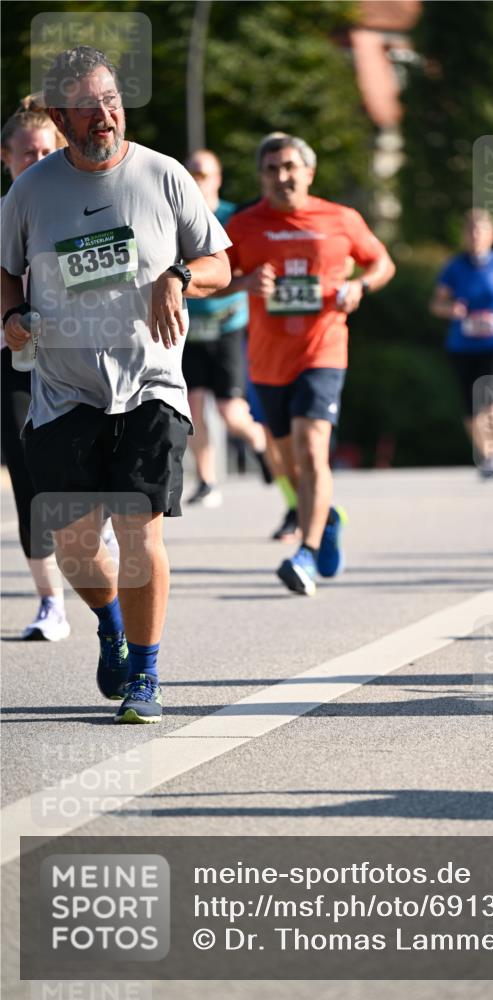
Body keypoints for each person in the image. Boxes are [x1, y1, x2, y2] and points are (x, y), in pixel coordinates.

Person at [1, 46, 231, 722]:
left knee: (140, 531)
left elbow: (217, 259)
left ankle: (147, 674)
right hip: (64, 388)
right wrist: (12, 312)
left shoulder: (162, 176)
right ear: (59, 116)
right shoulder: (30, 191)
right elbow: (4, 269)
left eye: (112, 101)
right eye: (87, 106)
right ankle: (109, 624)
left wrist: (178, 276)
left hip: (151, 382)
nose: (104, 115)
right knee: (73, 545)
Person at [224, 133, 395, 596]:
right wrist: (242, 282)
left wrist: (362, 286)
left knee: (311, 446)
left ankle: (306, 551)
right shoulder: (243, 225)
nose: (282, 176)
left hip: (323, 350)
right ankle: (328, 518)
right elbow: (210, 280)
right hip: (267, 360)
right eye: (272, 169)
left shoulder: (340, 219)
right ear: (261, 177)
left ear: (308, 172)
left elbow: (381, 262)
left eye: (290, 167)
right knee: (283, 460)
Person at [1, 97, 71, 640]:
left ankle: (103, 529)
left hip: (78, 357)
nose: (38, 159)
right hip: (17, 360)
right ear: (7, 158)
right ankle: (50, 601)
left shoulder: (81, 205)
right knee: (28, 473)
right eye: (28, 152)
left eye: (48, 150)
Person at [182, 148, 271, 507]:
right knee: (192, 407)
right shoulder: (178, 218)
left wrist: (240, 285)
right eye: (192, 173)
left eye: (205, 173)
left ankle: (262, 444)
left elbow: (247, 274)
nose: (198, 180)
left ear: (218, 178)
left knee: (230, 412)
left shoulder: (234, 218)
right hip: (189, 327)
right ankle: (206, 480)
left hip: (227, 325)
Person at [429, 209, 493, 482]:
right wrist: (451, 309)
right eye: (470, 231)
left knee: (491, 396)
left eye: (480, 230)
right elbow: (437, 304)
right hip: (463, 345)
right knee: (471, 408)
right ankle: (487, 457)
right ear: (464, 235)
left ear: (491, 235)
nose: (475, 236)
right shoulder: (455, 266)